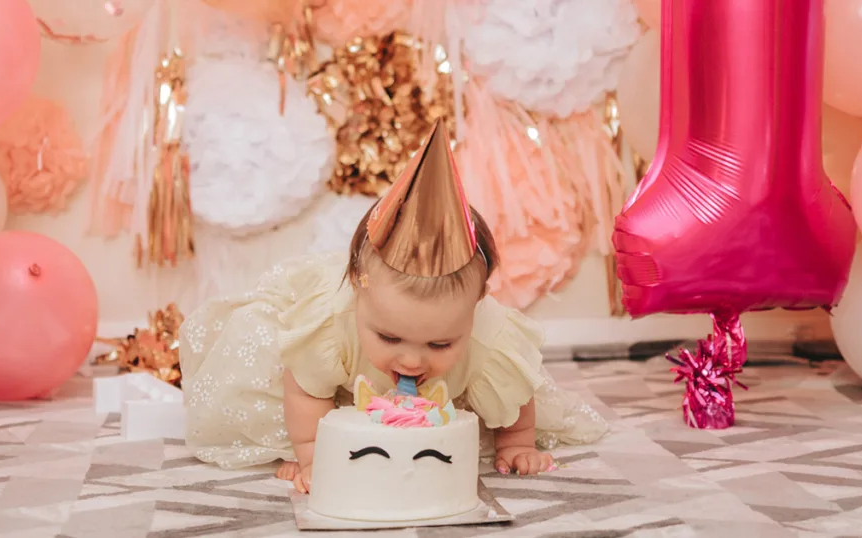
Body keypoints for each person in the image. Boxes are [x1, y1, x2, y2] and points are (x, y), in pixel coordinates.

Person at [179, 119, 608, 493]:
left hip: (419, 352)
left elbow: (516, 396)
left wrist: (517, 444)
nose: (410, 358)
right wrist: (312, 455)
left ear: (474, 309)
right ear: (358, 292)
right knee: (281, 370)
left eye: (440, 344)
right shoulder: (334, 321)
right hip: (335, 376)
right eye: (389, 337)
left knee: (498, 403)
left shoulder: (485, 338)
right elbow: (306, 386)